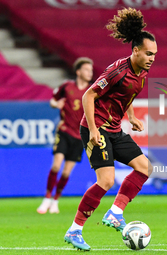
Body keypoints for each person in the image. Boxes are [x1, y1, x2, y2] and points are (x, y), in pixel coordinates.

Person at [64, 8, 157, 251]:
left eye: (154, 54)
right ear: (135, 50)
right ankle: (75, 230)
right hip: (96, 129)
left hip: (114, 129)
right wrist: (93, 130)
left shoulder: (143, 73)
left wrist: (133, 116)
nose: (151, 58)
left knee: (145, 167)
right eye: (148, 53)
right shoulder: (117, 71)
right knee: (105, 181)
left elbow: (128, 96)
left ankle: (115, 212)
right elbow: (88, 95)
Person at [37, 57, 93, 214]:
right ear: (78, 71)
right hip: (64, 130)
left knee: (67, 172)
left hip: (79, 136)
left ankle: (56, 200)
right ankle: (47, 198)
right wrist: (56, 104)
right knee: (56, 165)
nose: (90, 72)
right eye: (87, 69)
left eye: (91, 70)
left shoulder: (92, 91)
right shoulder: (67, 86)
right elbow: (53, 101)